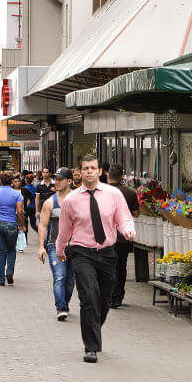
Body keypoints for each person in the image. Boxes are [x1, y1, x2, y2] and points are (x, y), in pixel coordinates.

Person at [56, 154, 135, 363]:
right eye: (85, 168)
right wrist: (60, 249)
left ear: (100, 171)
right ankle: (90, 347)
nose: (89, 171)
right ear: (80, 173)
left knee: (104, 299)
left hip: (108, 252)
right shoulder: (71, 200)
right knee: (89, 296)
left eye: (93, 168)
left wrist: (128, 230)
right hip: (82, 252)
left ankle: (93, 326)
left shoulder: (113, 194)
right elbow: (64, 229)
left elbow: (124, 218)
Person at [37, 167, 76, 320]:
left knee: (70, 281)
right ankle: (61, 308)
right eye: (56, 179)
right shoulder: (49, 203)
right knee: (59, 277)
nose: (57, 182)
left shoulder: (78, 200)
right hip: (55, 245)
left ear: (69, 181)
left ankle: (64, 303)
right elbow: (43, 225)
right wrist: (41, 246)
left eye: (60, 179)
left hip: (75, 246)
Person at [107, 164, 140, 309]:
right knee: (121, 266)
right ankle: (117, 296)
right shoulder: (130, 193)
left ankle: (108, 295)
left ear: (108, 176)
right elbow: (136, 213)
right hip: (123, 236)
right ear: (121, 177)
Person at [0, 171, 24, 287]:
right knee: (11, 249)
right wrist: (22, 224)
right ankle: (9, 273)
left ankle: (0, 280)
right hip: (11, 225)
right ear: (12, 182)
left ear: (0, 181)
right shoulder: (17, 194)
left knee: (0, 251)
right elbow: (19, 211)